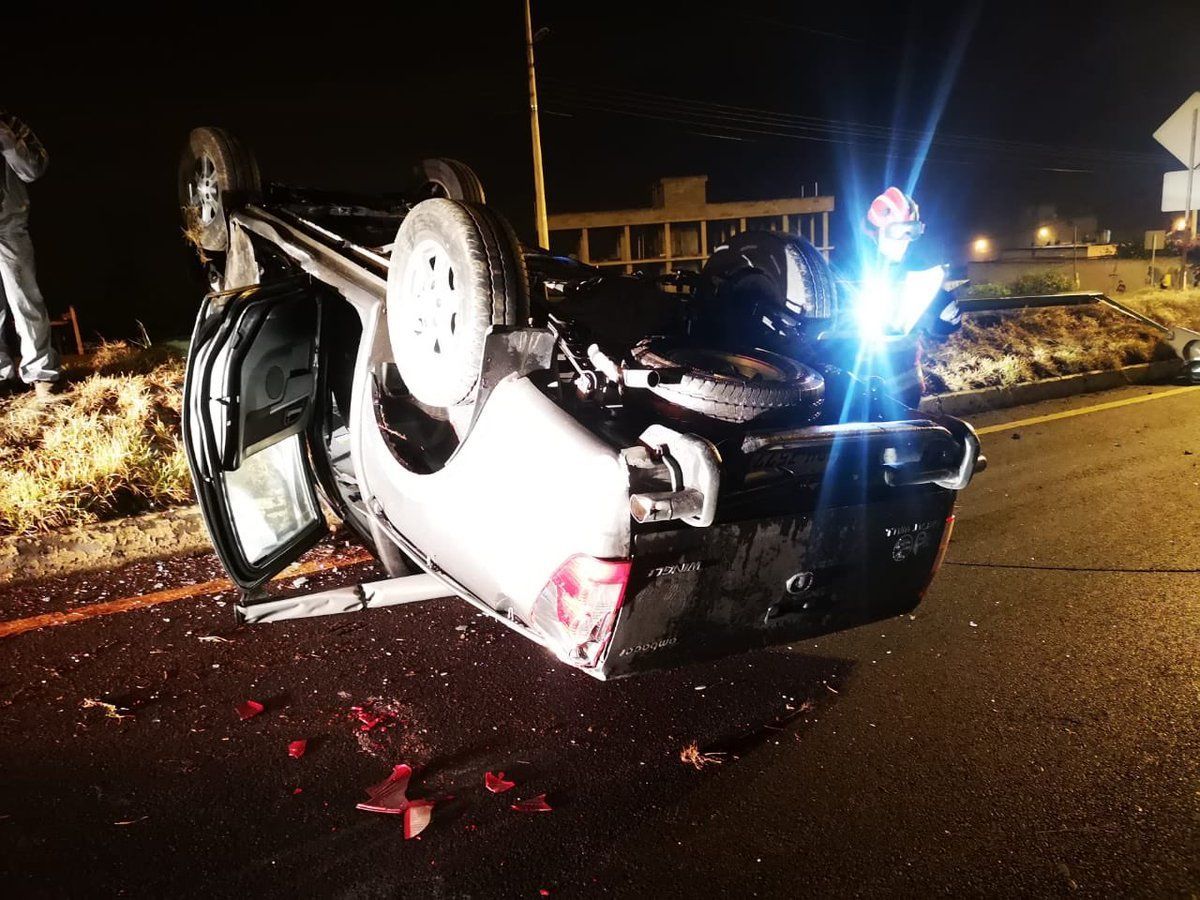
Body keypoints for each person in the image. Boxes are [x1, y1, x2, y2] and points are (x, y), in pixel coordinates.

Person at [0, 110, 59, 399]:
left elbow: (32, 170)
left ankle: (42, 376)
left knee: (26, 299)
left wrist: (5, 137)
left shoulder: (12, 125)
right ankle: (1, 378)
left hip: (8, 225)